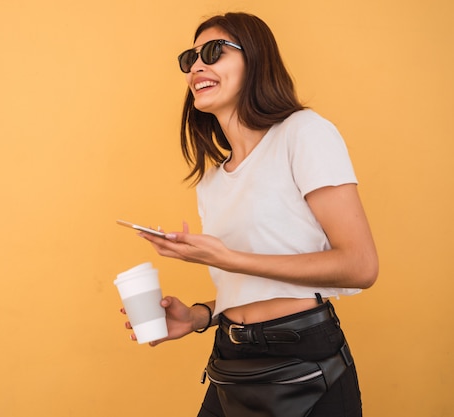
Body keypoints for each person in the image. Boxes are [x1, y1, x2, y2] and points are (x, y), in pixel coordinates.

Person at [121, 12, 378, 417]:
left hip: (305, 365)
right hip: (230, 359)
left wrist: (224, 257)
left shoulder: (304, 133)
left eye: (213, 52)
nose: (197, 66)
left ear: (255, 60)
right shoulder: (211, 181)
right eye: (190, 58)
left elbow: (360, 266)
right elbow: (248, 287)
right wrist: (198, 316)